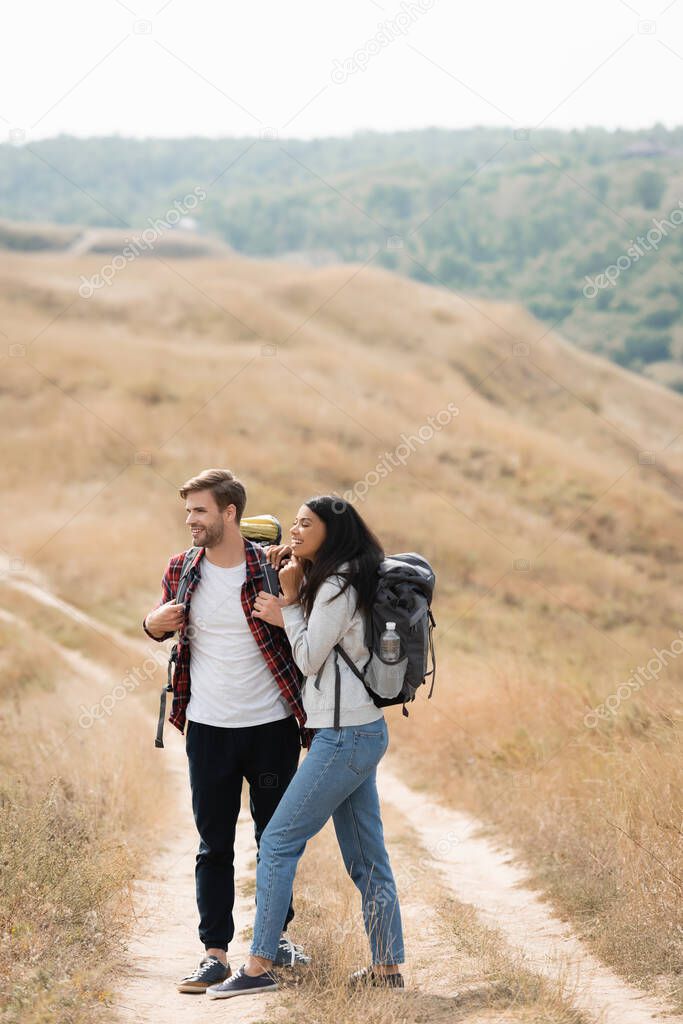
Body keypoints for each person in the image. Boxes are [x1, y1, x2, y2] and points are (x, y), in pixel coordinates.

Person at [206, 495, 405, 1000]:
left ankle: (257, 967)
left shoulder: (338, 585)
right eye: (292, 523)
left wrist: (289, 608)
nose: (294, 531)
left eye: (305, 525)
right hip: (357, 732)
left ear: (331, 534)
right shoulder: (336, 578)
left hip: (343, 736)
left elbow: (311, 657)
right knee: (367, 858)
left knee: (276, 842)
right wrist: (292, 580)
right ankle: (386, 970)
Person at [142, 468, 311, 994]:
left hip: (271, 728)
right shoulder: (181, 568)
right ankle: (213, 953)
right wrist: (152, 623)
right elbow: (160, 626)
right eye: (188, 510)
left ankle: (274, 943)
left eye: (199, 510)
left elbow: (312, 631)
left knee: (274, 840)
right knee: (213, 843)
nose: (190, 520)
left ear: (230, 513)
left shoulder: (274, 569)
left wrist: (287, 613)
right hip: (209, 729)